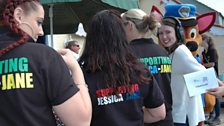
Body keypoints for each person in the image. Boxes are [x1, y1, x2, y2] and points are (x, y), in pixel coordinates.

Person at [0, 0, 92, 126]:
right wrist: (76, 69)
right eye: (39, 22)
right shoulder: (44, 56)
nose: (41, 31)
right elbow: (81, 121)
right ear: (19, 16)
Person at [79, 9, 166, 126]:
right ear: (121, 34)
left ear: (91, 38)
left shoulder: (82, 75)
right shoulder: (139, 70)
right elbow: (158, 113)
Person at [121, 9, 174, 126]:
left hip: (142, 118)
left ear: (129, 26)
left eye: (121, 25)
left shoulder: (126, 55)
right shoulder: (162, 51)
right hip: (167, 119)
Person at [157, 16, 205, 126]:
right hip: (178, 113)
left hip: (182, 115)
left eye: (168, 32)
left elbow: (203, 73)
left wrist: (220, 87)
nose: (164, 37)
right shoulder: (172, 52)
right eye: (160, 33)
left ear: (178, 33)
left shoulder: (180, 52)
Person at [201, 34, 221, 125]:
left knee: (215, 96)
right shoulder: (204, 52)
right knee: (209, 95)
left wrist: (201, 65)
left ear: (205, 40)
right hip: (207, 75)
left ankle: (218, 117)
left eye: (201, 39)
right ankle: (211, 115)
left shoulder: (212, 51)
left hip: (213, 75)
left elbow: (212, 64)